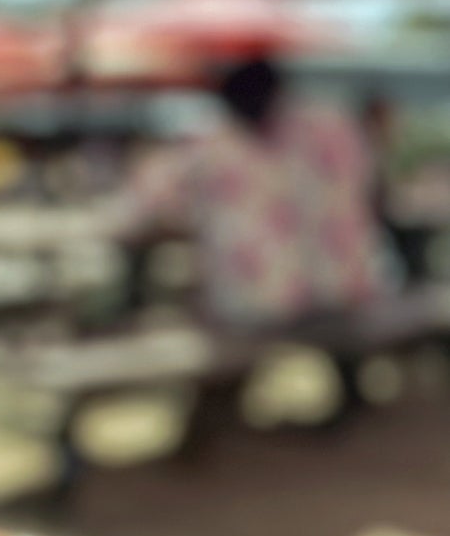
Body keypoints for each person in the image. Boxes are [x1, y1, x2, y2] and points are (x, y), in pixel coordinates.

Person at [130, 55, 392, 331]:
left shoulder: (220, 143)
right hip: (331, 293)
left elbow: (148, 204)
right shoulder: (332, 125)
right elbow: (373, 191)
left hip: (275, 303)